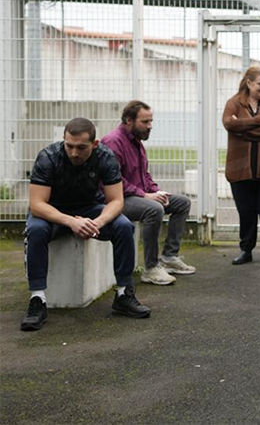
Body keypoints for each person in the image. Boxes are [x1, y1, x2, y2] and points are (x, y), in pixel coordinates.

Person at [21, 118, 151, 331]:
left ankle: (123, 294)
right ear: (63, 140)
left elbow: (116, 201)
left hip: (91, 209)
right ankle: (38, 299)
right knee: (35, 229)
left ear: (95, 144)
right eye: (69, 146)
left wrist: (97, 223)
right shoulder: (48, 157)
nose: (74, 153)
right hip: (53, 211)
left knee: (124, 226)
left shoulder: (106, 157)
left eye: (81, 147)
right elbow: (36, 205)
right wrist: (71, 221)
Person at [101, 100, 195, 286]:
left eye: (151, 121)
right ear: (129, 120)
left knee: (182, 203)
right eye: (145, 122)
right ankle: (151, 268)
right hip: (115, 199)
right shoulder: (113, 142)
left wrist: (155, 191)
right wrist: (145, 196)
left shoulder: (136, 141)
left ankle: (169, 257)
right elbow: (113, 180)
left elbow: (143, 175)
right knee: (153, 209)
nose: (150, 126)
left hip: (136, 196)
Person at [222, 66, 260, 266]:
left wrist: (243, 129)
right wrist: (258, 121)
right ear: (249, 83)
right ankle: (246, 250)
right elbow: (228, 124)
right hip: (240, 169)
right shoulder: (233, 103)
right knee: (246, 211)